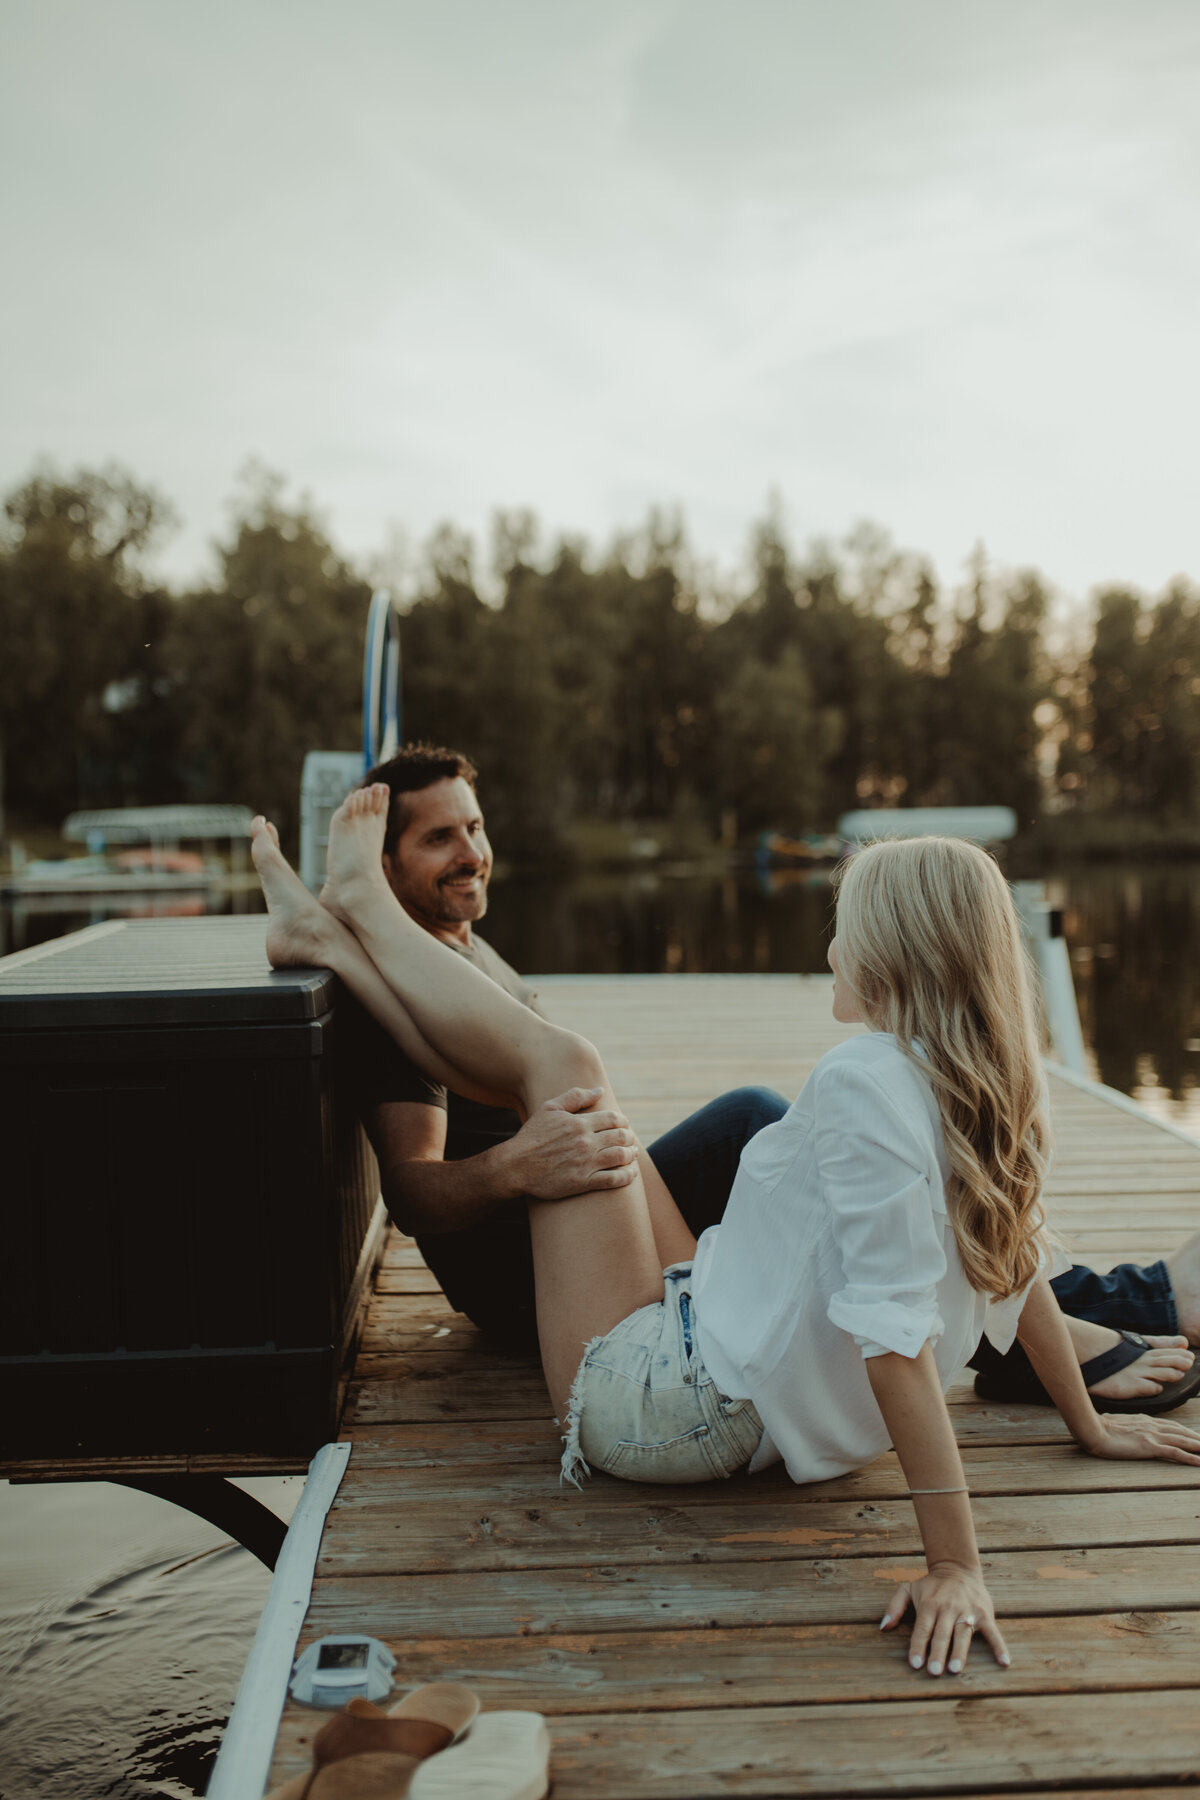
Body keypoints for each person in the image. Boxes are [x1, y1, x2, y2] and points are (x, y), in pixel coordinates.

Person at [252, 798, 1200, 1678]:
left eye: (844, 930)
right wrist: (1085, 1423)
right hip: (742, 1361)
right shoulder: (986, 1084)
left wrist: (956, 1565)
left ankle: (354, 923)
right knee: (570, 1082)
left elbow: (897, 1343)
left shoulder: (862, 1082)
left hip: (666, 1406)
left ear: (890, 954)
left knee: (566, 1066)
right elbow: (1019, 1262)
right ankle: (349, 930)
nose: (830, 948)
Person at [349, 744, 1198, 1407]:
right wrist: (516, 1166)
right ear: (383, 871)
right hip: (531, 1270)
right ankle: (1112, 1313)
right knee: (768, 1134)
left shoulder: (462, 951)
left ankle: (1052, 1326)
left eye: (475, 828)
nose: (470, 853)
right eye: (438, 838)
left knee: (785, 1149)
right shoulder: (407, 996)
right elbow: (416, 1193)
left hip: (568, 1201)